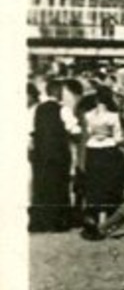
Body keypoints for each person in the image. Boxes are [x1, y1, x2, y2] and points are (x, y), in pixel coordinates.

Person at [77, 86, 124, 234]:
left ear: (96, 99)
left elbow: (88, 132)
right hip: (109, 149)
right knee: (108, 183)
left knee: (95, 183)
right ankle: (104, 220)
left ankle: (94, 217)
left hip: (93, 150)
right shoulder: (113, 116)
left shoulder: (88, 115)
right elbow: (118, 138)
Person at [29, 80, 75, 233]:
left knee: (41, 187)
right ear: (58, 92)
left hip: (41, 154)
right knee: (58, 186)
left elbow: (31, 130)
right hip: (58, 154)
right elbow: (73, 128)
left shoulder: (37, 109)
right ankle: (58, 222)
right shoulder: (63, 109)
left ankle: (41, 222)